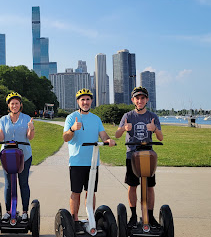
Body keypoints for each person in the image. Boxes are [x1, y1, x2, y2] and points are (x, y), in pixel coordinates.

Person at [63, 88, 116, 233]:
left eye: (87, 99)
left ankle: (89, 218)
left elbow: (103, 136)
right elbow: (65, 138)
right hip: (77, 162)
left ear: (91, 101)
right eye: (82, 100)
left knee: (90, 192)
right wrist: (72, 129)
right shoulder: (71, 117)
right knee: (76, 192)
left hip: (93, 162)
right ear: (78, 102)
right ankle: (74, 221)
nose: (85, 102)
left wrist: (108, 140)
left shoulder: (96, 119)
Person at [115, 86, 164, 229]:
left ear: (147, 100)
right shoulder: (127, 116)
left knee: (149, 187)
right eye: (137, 98)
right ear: (133, 100)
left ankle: (149, 215)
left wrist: (154, 129)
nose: (140, 100)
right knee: (132, 186)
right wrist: (124, 129)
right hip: (132, 155)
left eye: (142, 98)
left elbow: (160, 138)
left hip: (148, 155)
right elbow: (117, 135)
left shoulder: (153, 117)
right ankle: (133, 216)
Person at [0, 92, 35, 222]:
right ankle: (8, 211)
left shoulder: (26, 118)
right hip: (7, 156)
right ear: (8, 105)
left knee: (23, 183)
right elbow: (1, 138)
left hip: (24, 155)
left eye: (17, 103)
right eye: (12, 103)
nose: (14, 105)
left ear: (20, 105)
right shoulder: (3, 119)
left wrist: (31, 129)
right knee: (8, 185)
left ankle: (24, 212)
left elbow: (30, 137)